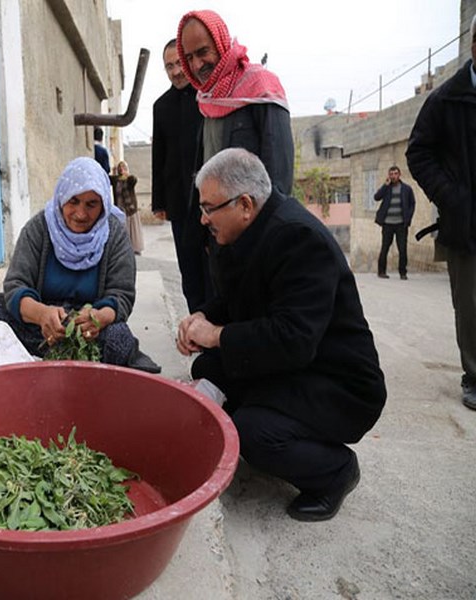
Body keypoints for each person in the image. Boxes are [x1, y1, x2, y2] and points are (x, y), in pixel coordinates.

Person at [176, 148, 386, 521]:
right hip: (295, 363)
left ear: (244, 204)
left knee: (253, 432)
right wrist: (201, 318)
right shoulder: (245, 231)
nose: (203, 217)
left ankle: (335, 471)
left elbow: (293, 339)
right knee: (207, 368)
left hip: (337, 383)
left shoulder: (300, 239)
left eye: (210, 208)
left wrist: (216, 335)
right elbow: (235, 300)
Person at [0, 156, 160, 374]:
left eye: (91, 204)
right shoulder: (39, 228)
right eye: (73, 201)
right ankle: (33, 367)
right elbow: (15, 286)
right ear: (62, 198)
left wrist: (99, 317)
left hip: (87, 332)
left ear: (104, 205)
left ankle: (43, 364)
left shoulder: (114, 235)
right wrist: (41, 315)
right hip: (35, 325)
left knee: (119, 338)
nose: (80, 214)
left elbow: (121, 295)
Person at [406, 14, 476, 411]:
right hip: (466, 220)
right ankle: (475, 374)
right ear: (473, 43)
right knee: (470, 303)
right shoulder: (446, 98)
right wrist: (452, 196)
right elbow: (418, 151)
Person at [176, 10, 294, 197]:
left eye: (203, 52)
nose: (197, 65)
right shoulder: (205, 99)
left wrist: (269, 224)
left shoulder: (262, 86)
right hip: (217, 222)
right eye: (189, 58)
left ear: (220, 43)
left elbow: (279, 177)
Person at [152, 38, 206, 312]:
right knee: (189, 269)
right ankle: (196, 320)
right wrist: (159, 202)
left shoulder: (208, 97)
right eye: (168, 66)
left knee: (216, 270)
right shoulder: (161, 106)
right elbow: (158, 156)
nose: (175, 71)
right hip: (179, 204)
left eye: (178, 63)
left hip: (211, 203)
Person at [373, 166, 416, 280]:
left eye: (395, 173)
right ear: (389, 175)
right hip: (387, 224)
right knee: (385, 248)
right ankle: (381, 271)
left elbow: (412, 204)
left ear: (399, 175)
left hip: (401, 224)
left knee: (402, 249)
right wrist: (385, 185)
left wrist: (408, 218)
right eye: (391, 174)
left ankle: (403, 273)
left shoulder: (406, 189)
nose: (393, 176)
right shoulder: (387, 188)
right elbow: (376, 197)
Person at [110, 160, 144, 255]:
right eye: (120, 168)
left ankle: (135, 248)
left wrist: (127, 175)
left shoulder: (129, 179)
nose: (121, 169)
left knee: (132, 229)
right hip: (120, 208)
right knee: (122, 228)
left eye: (123, 167)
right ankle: (124, 248)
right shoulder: (116, 179)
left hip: (130, 207)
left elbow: (134, 180)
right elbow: (108, 179)